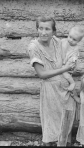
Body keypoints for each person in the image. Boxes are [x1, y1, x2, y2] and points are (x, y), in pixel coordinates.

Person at [27, 16, 77, 146]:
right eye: (41, 28)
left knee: (66, 123)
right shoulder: (34, 47)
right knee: (51, 128)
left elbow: (69, 54)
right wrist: (64, 69)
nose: (44, 32)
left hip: (65, 90)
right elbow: (42, 74)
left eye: (47, 29)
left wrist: (71, 63)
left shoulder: (56, 41)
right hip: (50, 92)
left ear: (53, 31)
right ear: (37, 29)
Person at [61, 27, 84, 92]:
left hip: (69, 63)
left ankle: (72, 82)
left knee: (64, 73)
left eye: (74, 39)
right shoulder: (63, 41)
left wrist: (66, 67)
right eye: (70, 37)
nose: (71, 40)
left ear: (78, 41)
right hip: (61, 61)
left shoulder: (75, 49)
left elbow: (73, 59)